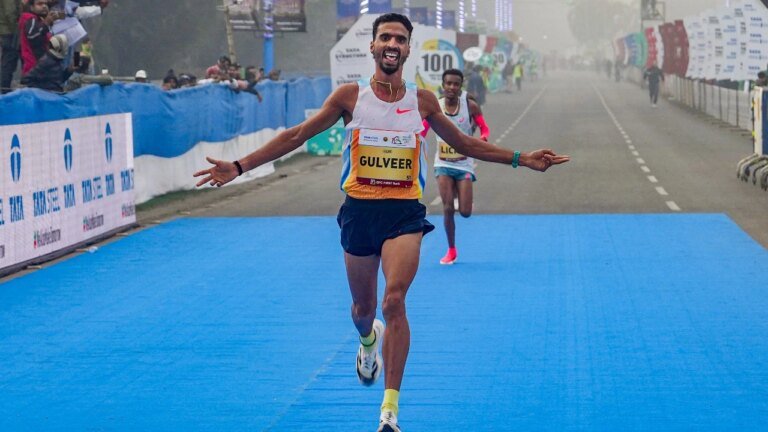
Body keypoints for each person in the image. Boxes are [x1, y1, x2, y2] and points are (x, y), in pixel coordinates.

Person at [193, 13, 569, 432]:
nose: (393, 43)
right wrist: (240, 166)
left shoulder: (422, 102)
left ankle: (389, 411)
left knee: (393, 301)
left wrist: (521, 158)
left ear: (408, 50)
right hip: (359, 213)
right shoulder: (349, 98)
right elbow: (297, 135)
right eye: (385, 37)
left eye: (401, 39)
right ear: (373, 47)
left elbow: (463, 143)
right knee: (363, 309)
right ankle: (367, 341)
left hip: (404, 214)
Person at [420, 68, 489, 265]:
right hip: (442, 163)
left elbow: (484, 127)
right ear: (443, 85)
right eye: (448, 83)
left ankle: (461, 196)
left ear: (460, 87)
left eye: (455, 84)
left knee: (465, 212)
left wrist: (483, 137)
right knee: (448, 207)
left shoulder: (471, 107)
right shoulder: (435, 107)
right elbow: (423, 131)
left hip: (464, 164)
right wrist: (415, 145)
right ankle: (451, 249)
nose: (451, 87)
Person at [0, 0, 22, 93]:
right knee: (8, 63)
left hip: (8, 31)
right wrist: (18, 29)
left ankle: (5, 89)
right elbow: (10, 13)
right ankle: (5, 90)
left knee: (9, 63)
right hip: (9, 32)